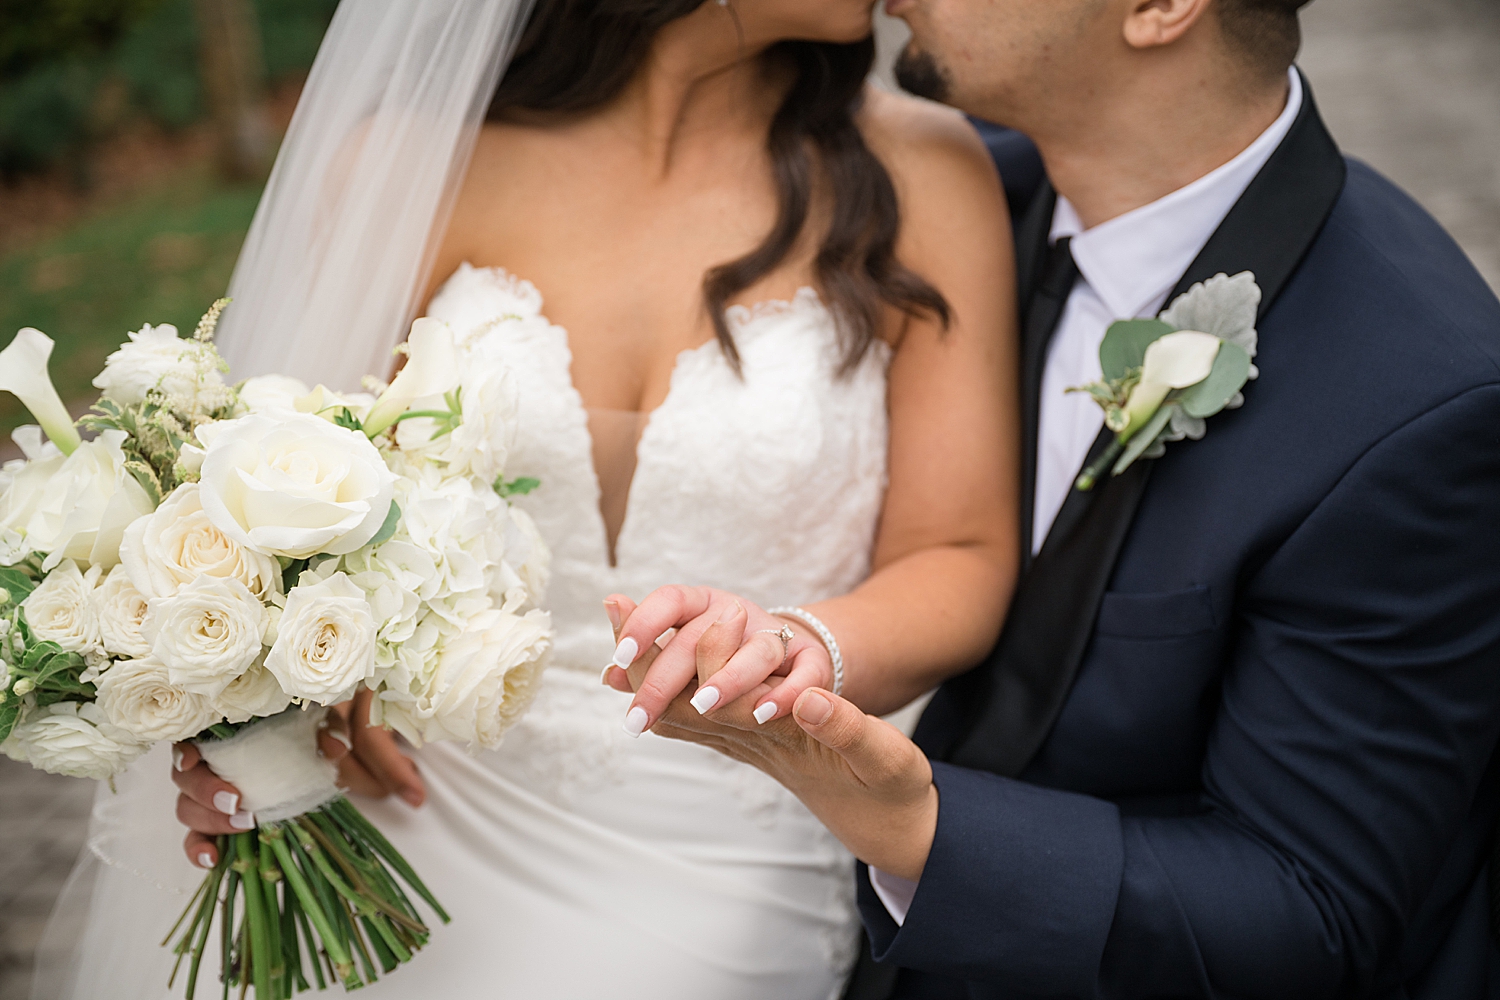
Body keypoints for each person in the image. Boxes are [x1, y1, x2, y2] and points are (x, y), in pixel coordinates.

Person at [139, 2, 1023, 999]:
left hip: (726, 835)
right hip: (394, 814)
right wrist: (282, 698)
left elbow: (962, 547)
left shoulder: (926, 172)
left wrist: (796, 641)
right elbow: (268, 491)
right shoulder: (409, 163)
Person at [626, 0, 1500, 997]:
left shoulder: (1420, 408)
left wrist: (923, 830)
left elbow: (1314, 909)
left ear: (1160, 10)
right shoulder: (945, 184)